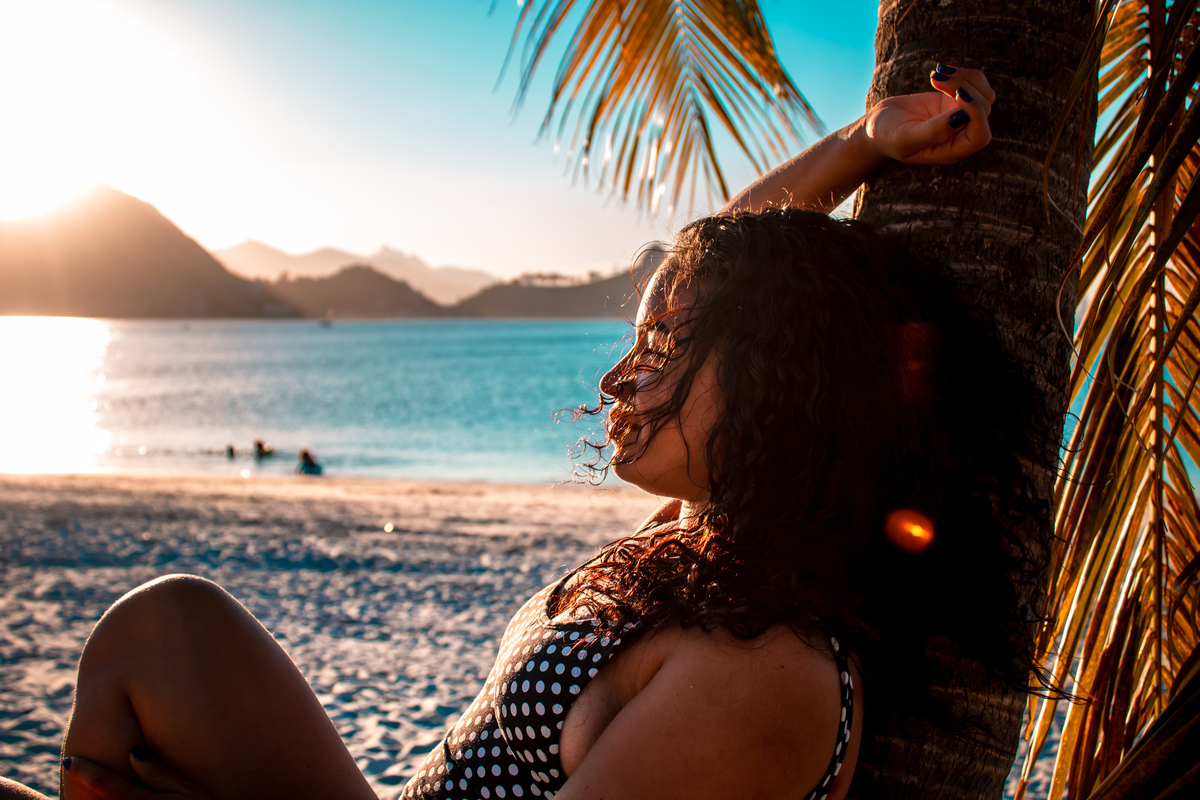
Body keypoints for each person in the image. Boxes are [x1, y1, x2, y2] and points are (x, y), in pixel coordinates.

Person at [5, 65, 1038, 800]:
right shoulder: (720, 552)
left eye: (665, 347)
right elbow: (731, 262)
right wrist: (864, 143)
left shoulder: (764, 674)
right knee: (165, 628)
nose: (619, 377)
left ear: (778, 384)